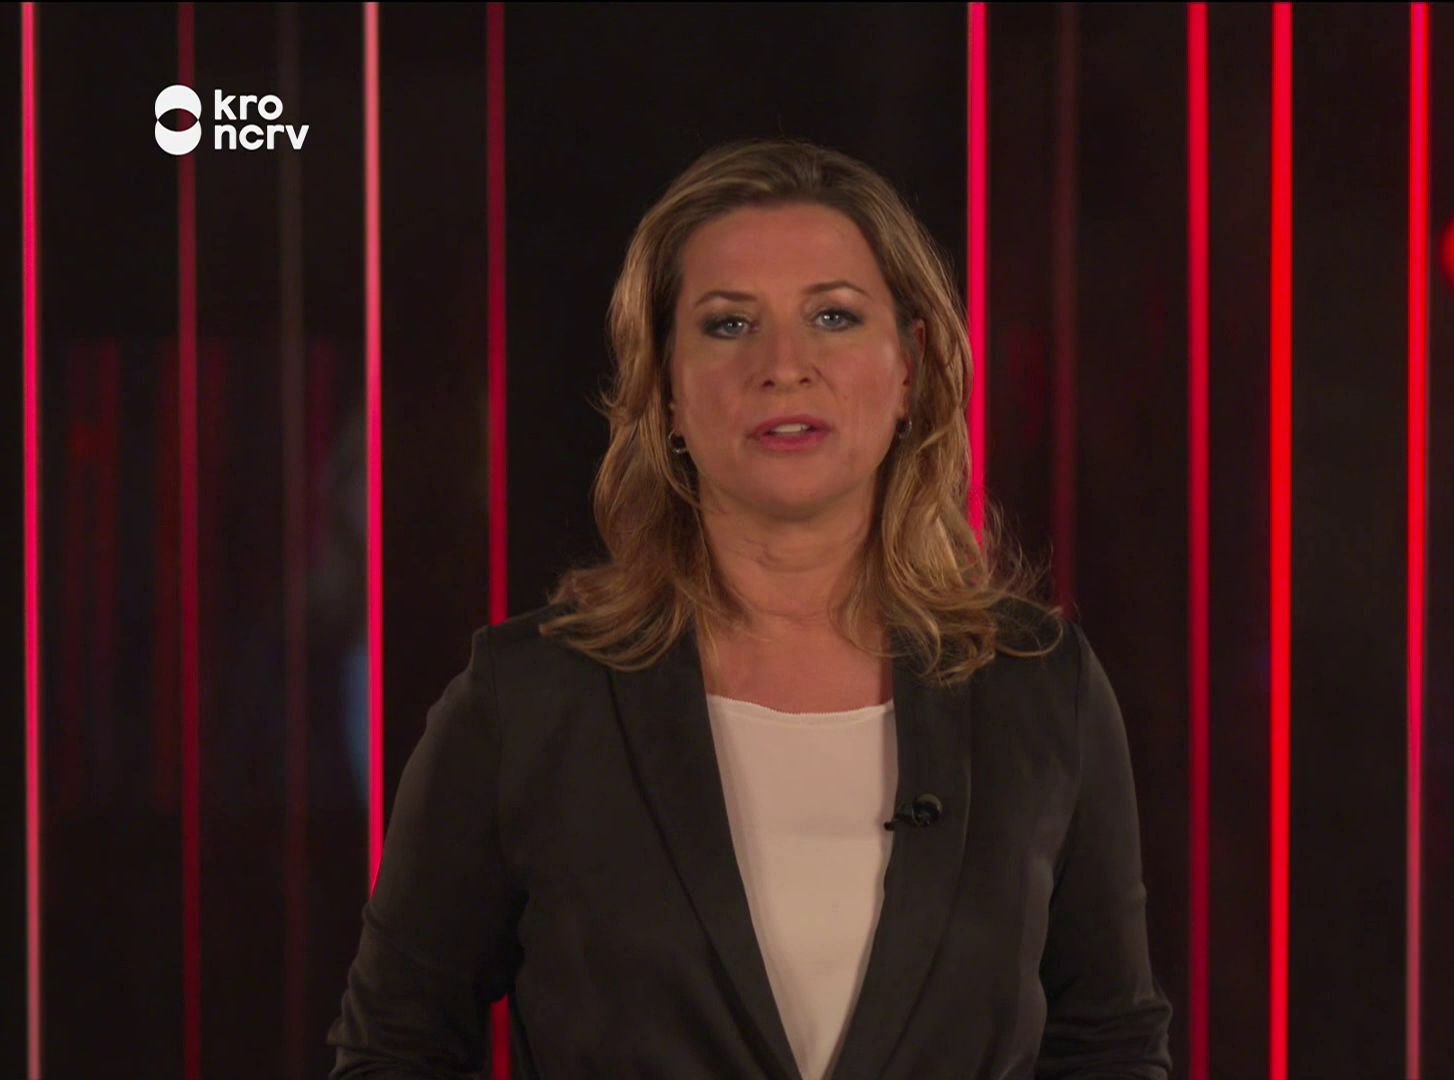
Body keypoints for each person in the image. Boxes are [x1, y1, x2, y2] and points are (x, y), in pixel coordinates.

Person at [327, 138, 1173, 1079]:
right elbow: (392, 1047)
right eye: (729, 324)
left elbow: (1110, 1044)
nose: (784, 365)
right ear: (665, 389)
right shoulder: (526, 701)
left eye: (834, 316)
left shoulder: (1040, 690)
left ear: (910, 367)